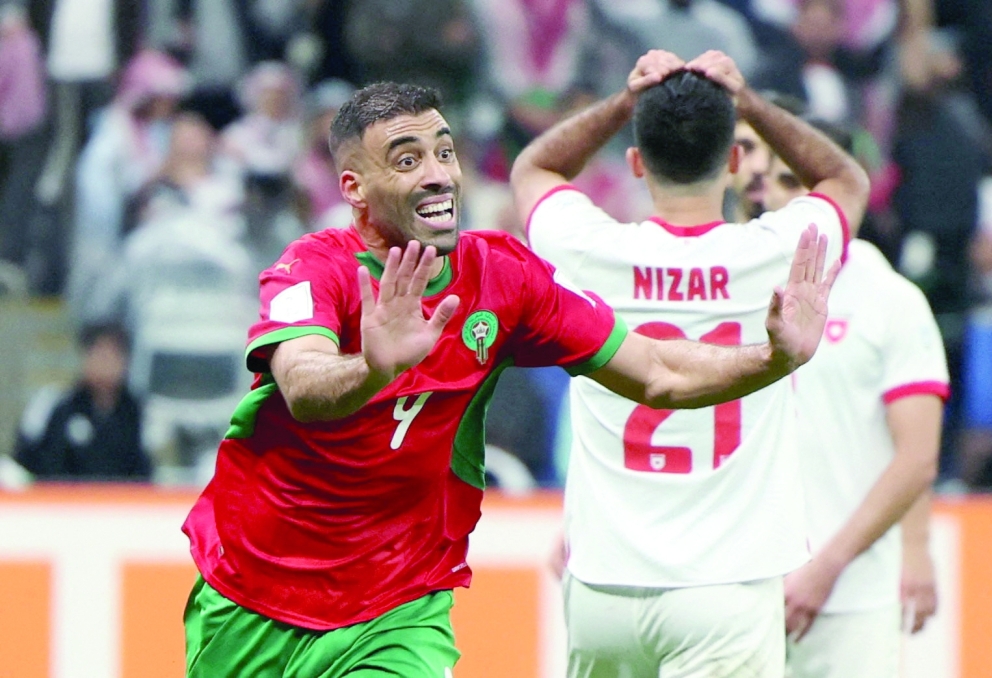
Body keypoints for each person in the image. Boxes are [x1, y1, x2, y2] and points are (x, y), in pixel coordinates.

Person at [181, 79, 839, 678]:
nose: (438, 175)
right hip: (253, 592)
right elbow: (302, 383)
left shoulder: (503, 278)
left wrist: (772, 359)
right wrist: (374, 366)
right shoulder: (313, 268)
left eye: (445, 152)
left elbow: (657, 371)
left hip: (398, 603)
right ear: (354, 187)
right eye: (408, 161)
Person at [510, 49, 869, 677]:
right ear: (733, 161)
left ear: (636, 163)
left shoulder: (587, 247)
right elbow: (846, 179)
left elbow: (533, 167)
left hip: (602, 583)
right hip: (725, 584)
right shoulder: (777, 252)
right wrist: (748, 100)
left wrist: (627, 99)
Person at [763, 123, 948, 678]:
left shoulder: (891, 299)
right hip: (745, 588)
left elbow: (916, 457)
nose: (787, 199)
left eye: (802, 182)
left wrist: (832, 566)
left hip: (854, 594)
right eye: (776, 181)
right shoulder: (740, 288)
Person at [14, 321, 150, 481]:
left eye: (114, 355)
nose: (106, 364)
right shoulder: (57, 406)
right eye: (100, 354)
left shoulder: (138, 412)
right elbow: (27, 460)